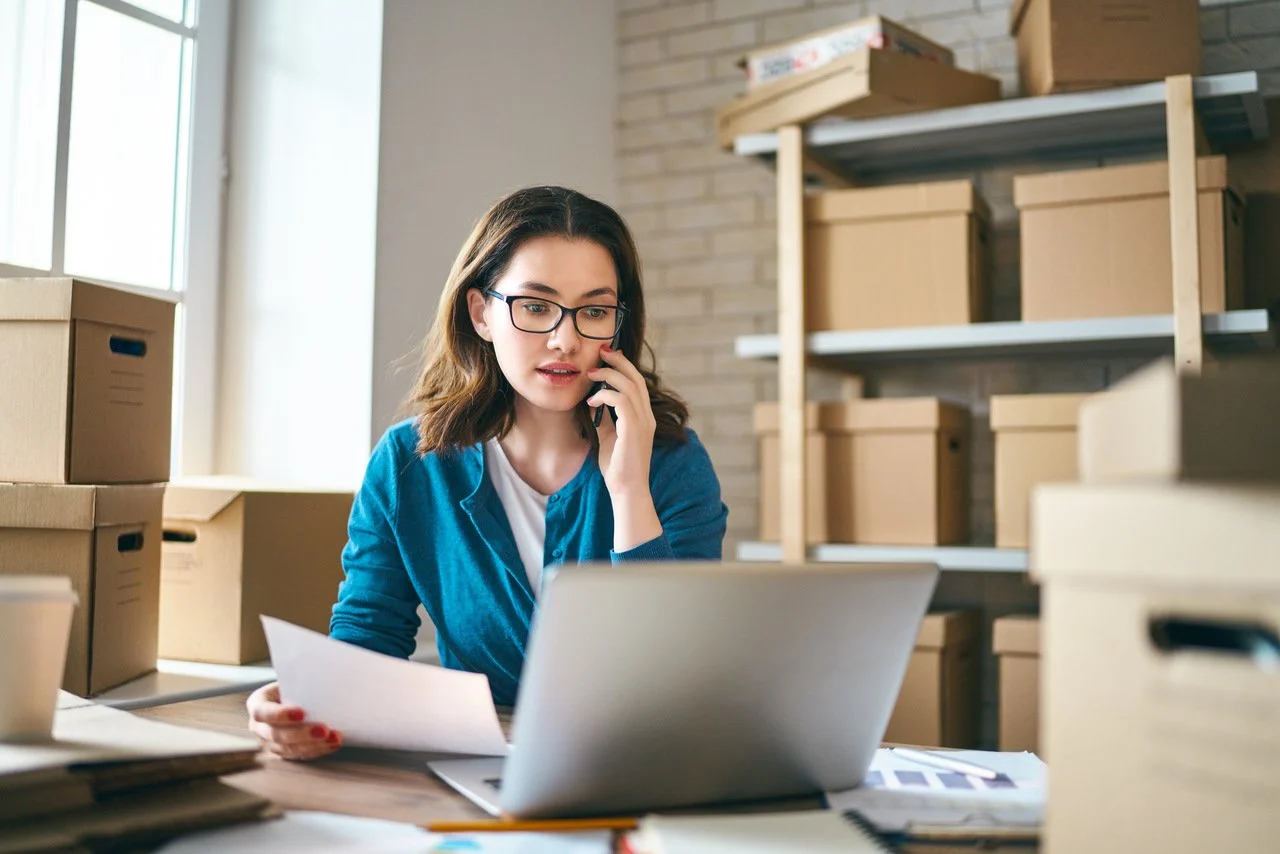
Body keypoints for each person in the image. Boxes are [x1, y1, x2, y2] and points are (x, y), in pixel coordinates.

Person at [246, 186, 728, 760]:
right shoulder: (409, 466)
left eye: (595, 311)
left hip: (639, 764)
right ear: (482, 314)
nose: (566, 339)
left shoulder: (672, 461)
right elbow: (368, 638)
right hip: (480, 772)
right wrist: (307, 705)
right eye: (535, 306)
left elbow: (677, 676)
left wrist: (628, 492)